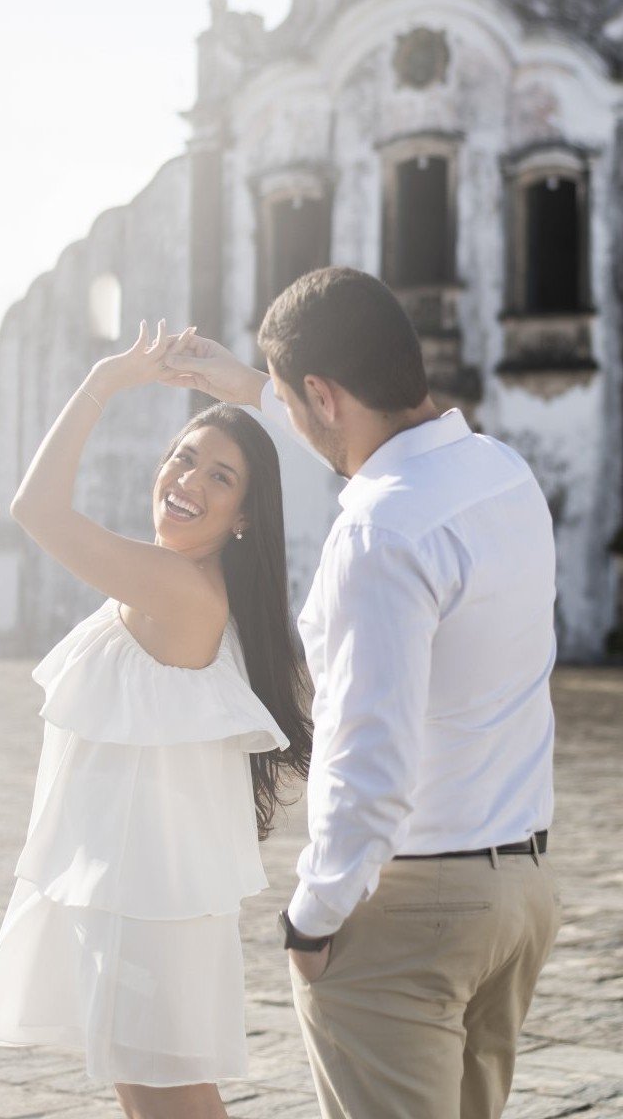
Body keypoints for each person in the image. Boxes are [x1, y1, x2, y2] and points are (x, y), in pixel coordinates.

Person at [162, 268, 563, 1119]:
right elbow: (347, 431)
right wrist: (248, 384)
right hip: (519, 895)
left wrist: (313, 918)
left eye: (290, 400)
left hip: (409, 912)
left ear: (323, 394)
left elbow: (369, 756)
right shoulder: (503, 474)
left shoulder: (378, 532)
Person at [0, 319, 312, 1119]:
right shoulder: (175, 578)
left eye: (220, 477)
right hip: (133, 887)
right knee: (154, 1093)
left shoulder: (180, 588)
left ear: (243, 517)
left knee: (168, 1098)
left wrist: (105, 381)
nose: (188, 480)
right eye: (182, 458)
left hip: (146, 899)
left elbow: (35, 508)